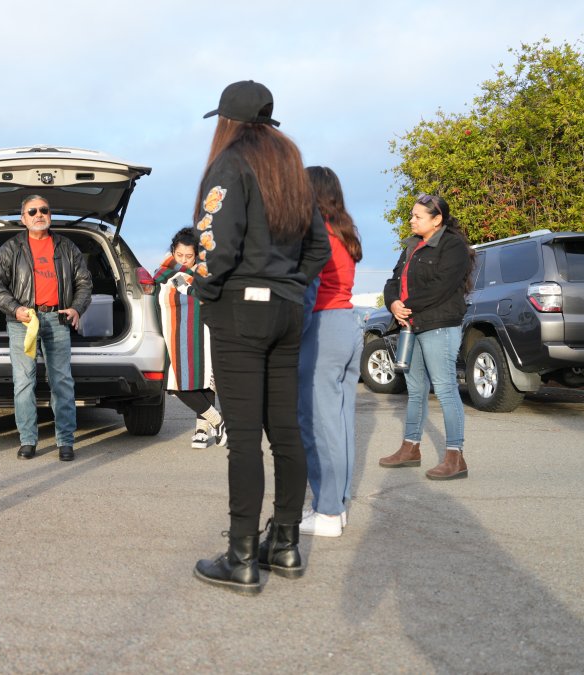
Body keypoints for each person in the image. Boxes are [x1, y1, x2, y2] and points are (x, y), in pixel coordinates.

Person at [190, 80, 330, 594]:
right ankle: (285, 545)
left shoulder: (228, 165)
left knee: (244, 437)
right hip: (288, 310)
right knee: (285, 431)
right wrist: (290, 283)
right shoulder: (291, 169)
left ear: (227, 120)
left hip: (239, 312)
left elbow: (215, 245)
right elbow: (318, 247)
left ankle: (242, 556)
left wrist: (205, 289)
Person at [0, 195, 92, 461]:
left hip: (57, 320)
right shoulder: (10, 248)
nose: (38, 214)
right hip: (23, 321)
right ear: (23, 218)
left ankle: (65, 442)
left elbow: (84, 283)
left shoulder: (67, 247)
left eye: (43, 210)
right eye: (31, 211)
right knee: (24, 382)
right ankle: (28, 440)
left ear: (50, 215)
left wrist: (76, 308)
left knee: (62, 382)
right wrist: (15, 309)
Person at [378, 194, 474, 480]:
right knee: (415, 388)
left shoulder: (453, 246)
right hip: (412, 324)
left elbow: (443, 287)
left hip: (439, 324)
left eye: (418, 216)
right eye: (412, 215)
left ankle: (456, 457)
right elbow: (392, 281)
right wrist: (393, 303)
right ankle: (410, 448)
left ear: (437, 220)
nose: (412, 220)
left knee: (445, 388)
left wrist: (407, 306)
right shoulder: (411, 246)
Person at [297, 166, 363, 538]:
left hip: (322, 327)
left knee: (318, 424)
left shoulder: (314, 230)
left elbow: (308, 286)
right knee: (341, 423)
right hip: (348, 324)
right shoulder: (346, 230)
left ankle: (326, 512)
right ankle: (336, 506)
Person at [152, 228, 224, 449]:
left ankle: (202, 430)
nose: (183, 260)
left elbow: (210, 295)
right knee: (176, 383)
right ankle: (218, 422)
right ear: (173, 251)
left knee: (204, 377)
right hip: (175, 331)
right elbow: (175, 292)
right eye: (179, 255)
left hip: (204, 330)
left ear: (198, 254)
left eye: (188, 256)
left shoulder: (206, 273)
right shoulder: (163, 272)